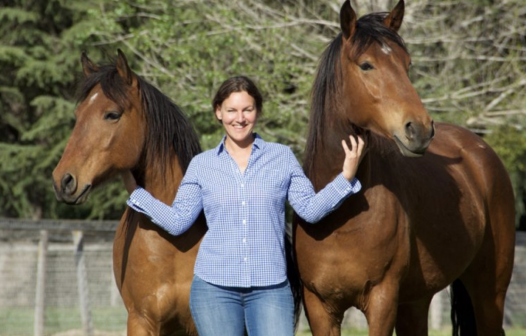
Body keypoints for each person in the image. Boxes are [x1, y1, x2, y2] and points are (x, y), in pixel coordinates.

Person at [122, 75, 364, 336]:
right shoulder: (202, 165)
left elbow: (309, 209)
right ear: (218, 112)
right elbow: (178, 220)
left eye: (247, 109)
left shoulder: (281, 157)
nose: (240, 118)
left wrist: (346, 177)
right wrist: (136, 192)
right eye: (231, 110)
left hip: (270, 290)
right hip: (214, 291)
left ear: (257, 112)